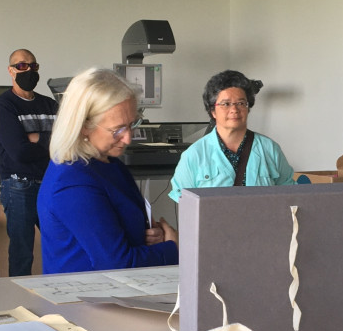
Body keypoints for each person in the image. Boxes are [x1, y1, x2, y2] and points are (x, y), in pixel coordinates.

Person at [37, 68, 178, 274]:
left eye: (133, 124)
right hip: (85, 300)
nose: (128, 138)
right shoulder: (73, 183)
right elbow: (118, 263)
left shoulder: (109, 163)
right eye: (118, 129)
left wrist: (150, 236)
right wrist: (174, 247)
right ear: (84, 125)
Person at [169, 69, 296, 202]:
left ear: (248, 108)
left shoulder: (269, 149)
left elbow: (291, 196)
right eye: (226, 104)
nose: (234, 110)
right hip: (213, 223)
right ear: (213, 111)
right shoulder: (194, 155)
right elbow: (186, 207)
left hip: (263, 222)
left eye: (241, 103)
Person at [0, 47, 58, 276]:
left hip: (50, 184)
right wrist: (49, 141)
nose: (28, 70)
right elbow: (18, 152)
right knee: (22, 252)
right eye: (22, 65)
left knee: (60, 244)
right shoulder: (3, 106)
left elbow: (66, 143)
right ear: (11, 71)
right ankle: (20, 305)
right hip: (19, 186)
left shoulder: (50, 104)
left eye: (33, 66)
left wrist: (35, 138)